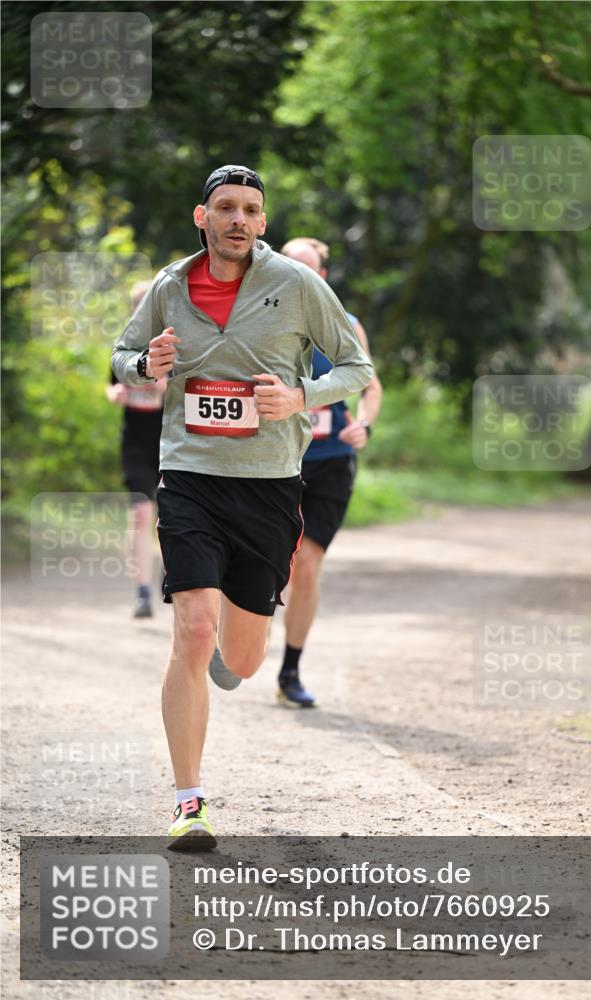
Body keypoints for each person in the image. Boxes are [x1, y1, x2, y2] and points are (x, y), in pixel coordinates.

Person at [111, 165, 373, 849]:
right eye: (224, 207)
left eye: (250, 209)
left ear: (262, 221)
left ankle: (238, 651)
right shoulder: (170, 286)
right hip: (190, 475)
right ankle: (188, 802)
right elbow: (122, 354)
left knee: (243, 659)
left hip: (268, 484)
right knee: (193, 630)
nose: (238, 219)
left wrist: (300, 399)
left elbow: (355, 368)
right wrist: (148, 366)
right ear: (203, 217)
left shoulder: (297, 285)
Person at [275, 238, 382, 707]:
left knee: (306, 566)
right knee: (263, 566)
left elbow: (370, 386)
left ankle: (290, 670)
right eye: (290, 268)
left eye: (309, 271)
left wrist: (364, 424)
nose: (300, 277)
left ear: (322, 277)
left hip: (331, 463)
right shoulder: (259, 321)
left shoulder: (347, 326)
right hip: (273, 461)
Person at [106, 281, 167, 618]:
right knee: (140, 514)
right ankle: (142, 592)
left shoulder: (175, 344)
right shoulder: (125, 346)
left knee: (168, 519)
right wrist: (114, 394)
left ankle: (169, 578)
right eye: (138, 305)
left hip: (172, 443)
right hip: (136, 443)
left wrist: (163, 387)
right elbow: (112, 384)